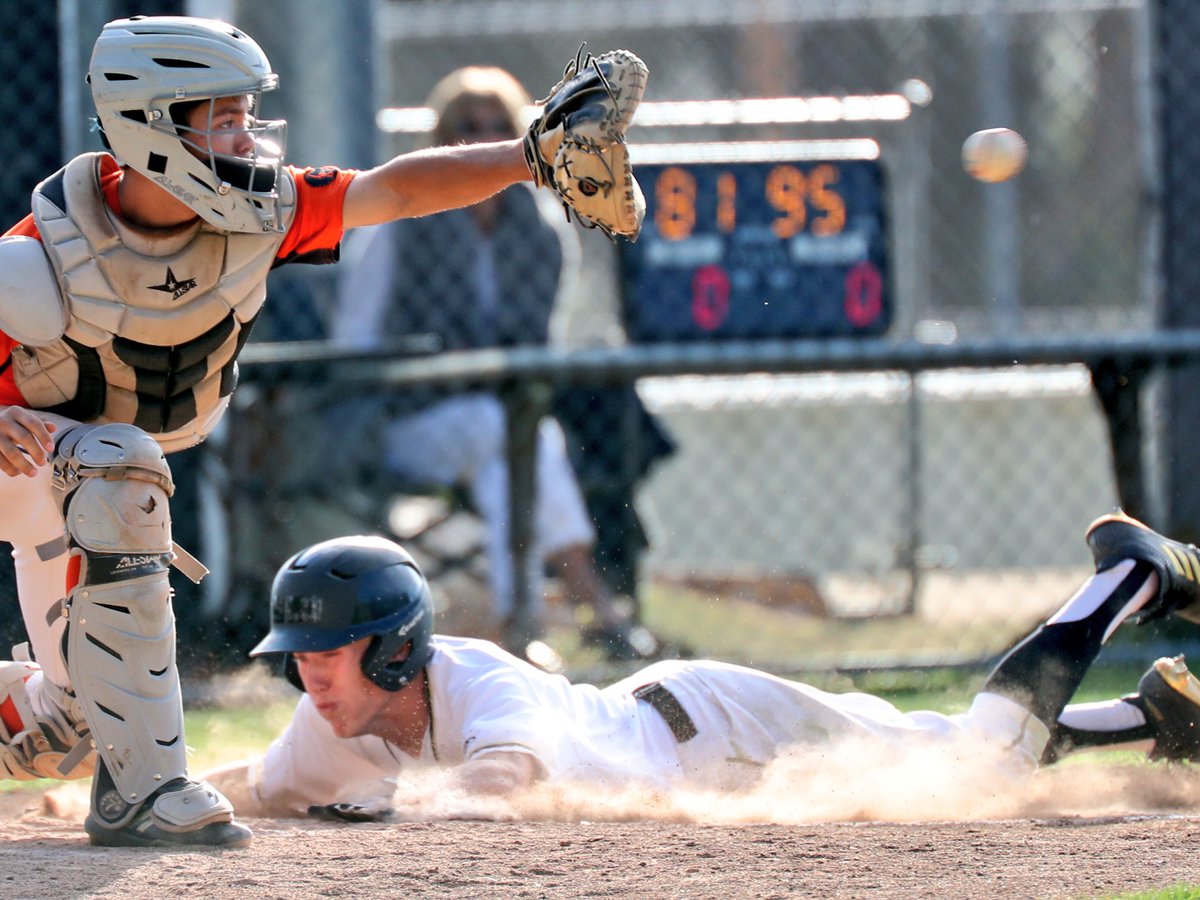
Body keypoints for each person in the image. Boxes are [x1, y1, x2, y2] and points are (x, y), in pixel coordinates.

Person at [0, 15, 623, 848]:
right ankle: (145, 792)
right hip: (32, 464)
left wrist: (527, 157)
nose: (245, 136)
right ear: (151, 126)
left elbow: (395, 190)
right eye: (220, 119)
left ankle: (100, 752)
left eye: (244, 115)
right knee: (118, 459)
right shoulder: (36, 259)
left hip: (70, 487)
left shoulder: (257, 211)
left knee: (73, 731)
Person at [203, 510, 1200, 818]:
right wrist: (133, 786)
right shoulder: (329, 725)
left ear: (397, 647)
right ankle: (1149, 722)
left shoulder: (483, 684)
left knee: (980, 765)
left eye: (329, 653)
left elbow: (501, 777)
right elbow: (252, 785)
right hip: (692, 739)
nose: (311, 678)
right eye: (300, 659)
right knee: (950, 748)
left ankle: (1128, 582)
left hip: (721, 724)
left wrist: (401, 808)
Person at [333, 66, 654, 661]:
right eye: (466, 127)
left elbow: (541, 347)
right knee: (508, 432)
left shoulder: (542, 227)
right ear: (439, 138)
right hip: (401, 421)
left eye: (497, 126)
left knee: (510, 442)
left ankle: (522, 627)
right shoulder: (399, 223)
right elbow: (355, 342)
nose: (481, 137)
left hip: (497, 426)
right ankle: (589, 607)